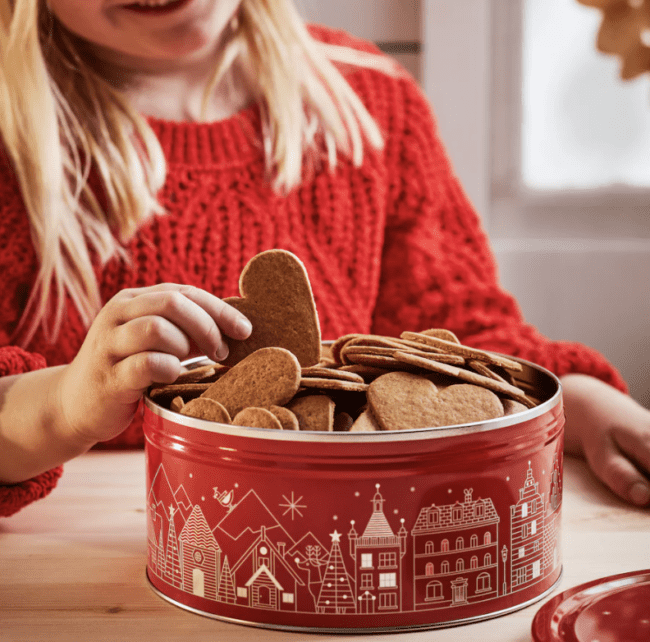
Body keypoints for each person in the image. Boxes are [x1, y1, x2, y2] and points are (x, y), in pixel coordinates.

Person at [1, 0, 648, 518]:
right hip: (83, 562)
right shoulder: (12, 136)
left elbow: (458, 346)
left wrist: (583, 401)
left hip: (334, 532)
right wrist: (65, 406)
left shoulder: (372, 103)